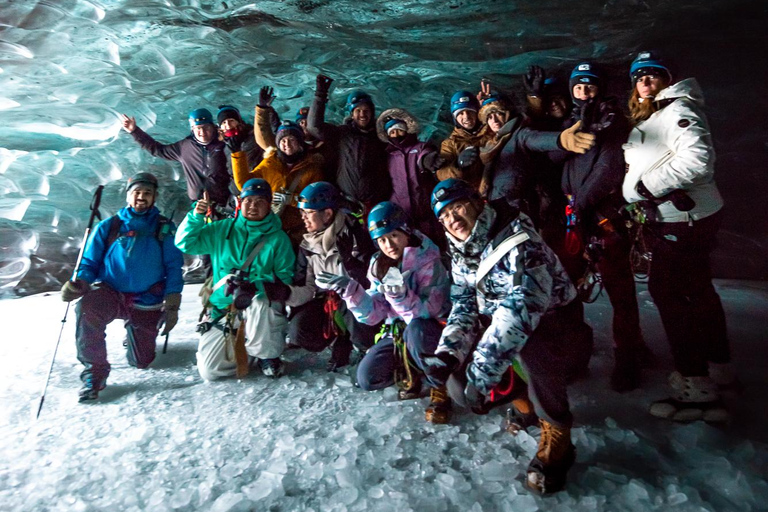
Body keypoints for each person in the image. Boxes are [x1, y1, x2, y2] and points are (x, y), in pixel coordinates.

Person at [425, 179, 582, 494]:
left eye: (456, 207)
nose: (452, 219)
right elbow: (466, 302)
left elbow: (522, 309)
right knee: (457, 383)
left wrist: (481, 374)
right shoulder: (461, 248)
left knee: (533, 344)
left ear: (477, 203)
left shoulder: (519, 239)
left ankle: (557, 430)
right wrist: (448, 354)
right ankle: (523, 399)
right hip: (501, 321)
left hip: (556, 324)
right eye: (444, 216)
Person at [622, 51, 735, 422]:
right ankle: (719, 366)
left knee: (670, 294)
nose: (645, 81)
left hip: (680, 220)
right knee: (699, 290)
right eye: (639, 76)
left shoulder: (677, 112)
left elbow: (698, 159)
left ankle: (695, 384)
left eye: (653, 75)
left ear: (667, 79)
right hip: (684, 217)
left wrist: (643, 187)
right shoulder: (660, 113)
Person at [555, 62, 651, 392]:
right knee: (566, 290)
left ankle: (628, 356)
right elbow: (557, 160)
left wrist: (580, 206)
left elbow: (609, 169)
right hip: (575, 215)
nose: (584, 91)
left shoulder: (613, 121)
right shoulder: (569, 122)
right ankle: (575, 351)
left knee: (620, 292)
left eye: (589, 86)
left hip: (601, 217)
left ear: (600, 88)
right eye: (578, 87)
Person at [315, 202, 452, 423]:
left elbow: (428, 312)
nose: (388, 245)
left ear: (406, 231)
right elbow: (374, 314)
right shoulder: (379, 264)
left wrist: (399, 296)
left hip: (431, 331)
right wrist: (350, 290)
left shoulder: (429, 261)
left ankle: (440, 386)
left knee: (416, 331)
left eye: (393, 236)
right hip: (397, 332)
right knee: (367, 378)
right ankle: (413, 370)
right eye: (381, 240)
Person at [60, 173, 184, 402]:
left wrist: (173, 300)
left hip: (147, 297)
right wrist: (80, 283)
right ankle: (94, 373)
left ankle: (135, 331)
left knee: (141, 361)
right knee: (87, 309)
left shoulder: (164, 227)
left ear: (154, 197)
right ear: (128, 196)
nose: (141, 197)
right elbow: (89, 262)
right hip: (111, 291)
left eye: (147, 193)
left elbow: (174, 266)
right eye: (137, 192)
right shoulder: (109, 226)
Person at [174, 178, 295, 380]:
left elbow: (285, 278)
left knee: (260, 304)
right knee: (210, 371)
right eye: (248, 201)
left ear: (269, 205)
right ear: (240, 202)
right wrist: (196, 217)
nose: (253, 206)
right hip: (224, 306)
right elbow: (185, 243)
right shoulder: (222, 229)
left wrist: (257, 286)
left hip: (258, 305)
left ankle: (267, 354)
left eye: (260, 202)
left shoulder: (277, 238)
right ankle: (248, 351)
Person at [261, 181, 379, 371]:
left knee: (351, 310)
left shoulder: (355, 235)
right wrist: (285, 293)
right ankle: (340, 339)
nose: (304, 219)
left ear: (328, 214)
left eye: (308, 213)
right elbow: (307, 288)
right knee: (299, 331)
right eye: (302, 214)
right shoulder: (308, 244)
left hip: (357, 299)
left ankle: (365, 347)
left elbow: (372, 283)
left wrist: (351, 263)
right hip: (327, 300)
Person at [232, 120, 324, 247]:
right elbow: (245, 184)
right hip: (271, 228)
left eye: (292, 139)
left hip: (298, 229)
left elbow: (317, 201)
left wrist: (292, 199)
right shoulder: (270, 163)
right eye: (283, 141)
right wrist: (237, 156)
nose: (287, 144)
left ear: (300, 142)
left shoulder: (312, 168)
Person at [307, 75, 392, 210]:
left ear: (372, 113)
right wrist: (320, 95)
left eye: (366, 111)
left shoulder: (380, 136)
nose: (362, 114)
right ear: (351, 114)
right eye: (358, 110)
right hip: (347, 202)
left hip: (376, 203)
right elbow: (313, 127)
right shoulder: (342, 134)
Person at [120, 109, 230, 208]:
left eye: (206, 127)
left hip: (225, 202)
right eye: (198, 128)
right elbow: (158, 150)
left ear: (213, 126)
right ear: (192, 129)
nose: (202, 132)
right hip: (198, 204)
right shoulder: (184, 147)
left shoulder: (224, 144)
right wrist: (134, 131)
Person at [376, 108, 444, 245]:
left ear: (406, 129)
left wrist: (427, 161)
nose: (396, 134)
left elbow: (424, 155)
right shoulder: (387, 156)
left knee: (436, 247)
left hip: (426, 213)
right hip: (403, 217)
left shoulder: (419, 147)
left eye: (399, 129)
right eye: (392, 132)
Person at [435, 90, 493, 187]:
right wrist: (458, 165)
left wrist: (488, 106)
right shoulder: (450, 144)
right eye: (461, 113)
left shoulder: (491, 129)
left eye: (470, 111)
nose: (466, 116)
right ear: (455, 118)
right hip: (475, 194)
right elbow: (442, 174)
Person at [216, 105, 264, 196]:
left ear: (239, 122)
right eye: (224, 123)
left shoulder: (254, 138)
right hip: (235, 193)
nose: (228, 126)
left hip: (255, 188)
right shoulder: (222, 145)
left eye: (231, 121)